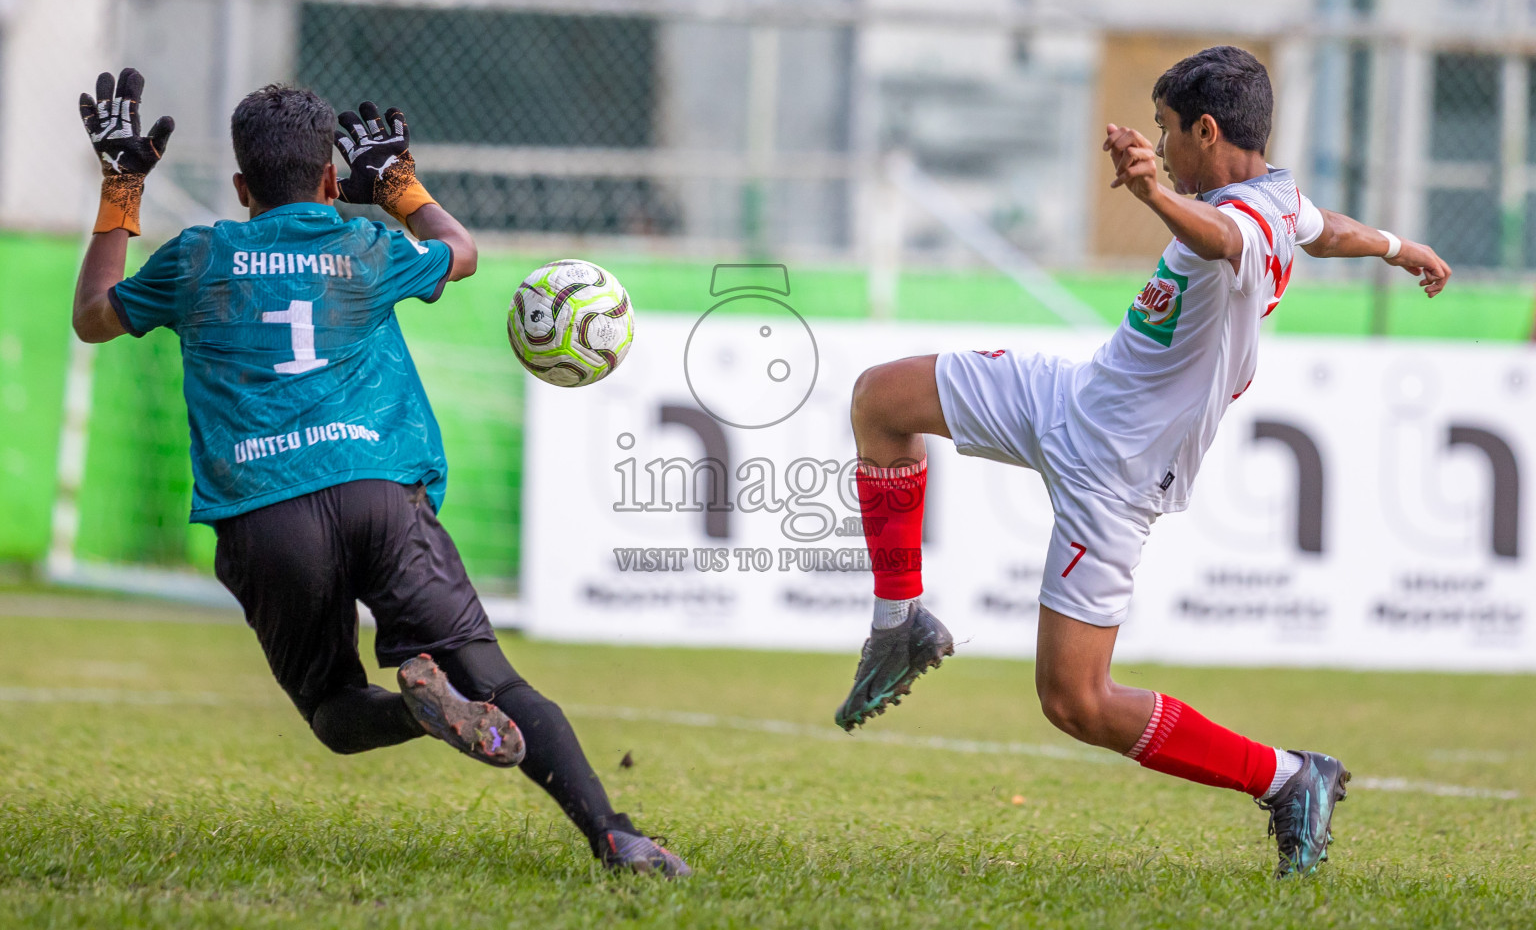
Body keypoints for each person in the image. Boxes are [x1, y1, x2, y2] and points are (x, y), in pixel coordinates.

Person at [833, 46, 1452, 878]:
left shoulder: (1241, 220)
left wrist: (1154, 192)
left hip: (1116, 475)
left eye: (1167, 133)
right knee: (881, 398)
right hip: (1073, 397)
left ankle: (1289, 777)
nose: (1161, 148)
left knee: (1076, 702)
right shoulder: (1279, 200)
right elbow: (1321, 228)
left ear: (1206, 129)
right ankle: (899, 622)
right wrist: (1395, 245)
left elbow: (1224, 236)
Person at [70, 69, 689, 878]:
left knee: (333, 711)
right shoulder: (365, 247)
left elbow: (92, 316)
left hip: (266, 516)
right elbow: (462, 254)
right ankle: (616, 836)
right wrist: (398, 183)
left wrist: (122, 189)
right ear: (331, 178)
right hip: (378, 495)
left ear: (239, 185)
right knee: (497, 679)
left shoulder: (198, 256)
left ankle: (415, 713)